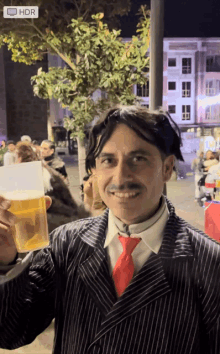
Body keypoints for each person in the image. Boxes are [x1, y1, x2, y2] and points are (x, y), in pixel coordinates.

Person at [0, 105, 220, 353]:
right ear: (94, 170)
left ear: (167, 168)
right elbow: (11, 332)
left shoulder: (210, 264)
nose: (120, 177)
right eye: (108, 160)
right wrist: (5, 260)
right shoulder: (65, 244)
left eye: (138, 159)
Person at [15, 141, 90, 233]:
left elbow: (55, 204)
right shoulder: (43, 170)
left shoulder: (40, 174)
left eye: (45, 148)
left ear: (19, 158)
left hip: (63, 225)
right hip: (70, 220)